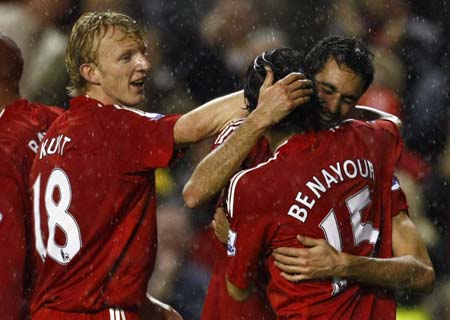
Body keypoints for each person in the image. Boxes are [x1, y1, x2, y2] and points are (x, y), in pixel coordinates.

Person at [29, 11, 311, 320]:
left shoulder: (56, 133)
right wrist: (262, 104)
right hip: (100, 312)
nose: (144, 65)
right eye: (126, 58)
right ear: (90, 72)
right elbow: (196, 126)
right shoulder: (115, 127)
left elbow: (85, 247)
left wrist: (143, 303)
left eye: (142, 53)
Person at [185, 37, 434, 319]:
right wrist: (259, 116)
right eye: (326, 90)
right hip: (247, 308)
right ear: (304, 81)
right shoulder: (248, 137)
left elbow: (422, 273)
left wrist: (343, 264)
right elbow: (193, 194)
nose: (333, 106)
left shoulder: (368, 148)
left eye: (348, 99)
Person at [0, 32, 64, 320]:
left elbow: (8, 258)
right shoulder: (59, 121)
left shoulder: (3, 147)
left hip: (31, 306)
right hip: (79, 296)